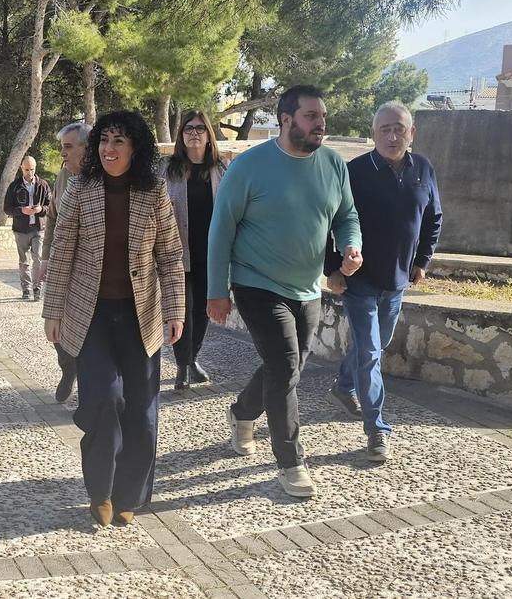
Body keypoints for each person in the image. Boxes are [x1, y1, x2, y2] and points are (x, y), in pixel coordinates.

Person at [207, 85, 362, 499]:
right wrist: (216, 290)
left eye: (322, 117)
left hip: (307, 286)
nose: (321, 124)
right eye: (311, 116)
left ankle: (243, 412)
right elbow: (221, 229)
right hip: (256, 282)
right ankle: (290, 461)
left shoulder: (333, 165)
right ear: (286, 120)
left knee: (286, 369)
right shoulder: (250, 166)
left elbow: (347, 215)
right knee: (286, 362)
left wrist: (350, 246)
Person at [42, 110, 185, 528]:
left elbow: (171, 256)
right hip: (92, 316)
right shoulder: (79, 191)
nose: (109, 148)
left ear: (134, 148)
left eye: (119, 141)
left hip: (141, 316)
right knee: (104, 400)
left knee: (141, 411)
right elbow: (62, 253)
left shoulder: (154, 192)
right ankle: (100, 491)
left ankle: (130, 495)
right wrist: (53, 310)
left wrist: (175, 310)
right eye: (104, 140)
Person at [325, 101, 442, 462]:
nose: (393, 136)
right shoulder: (354, 171)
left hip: (397, 282)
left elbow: (433, 218)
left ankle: (343, 386)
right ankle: (376, 429)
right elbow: (328, 222)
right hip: (359, 282)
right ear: (373, 133)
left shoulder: (423, 168)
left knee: (374, 345)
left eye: (399, 129)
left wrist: (422, 260)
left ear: (412, 132)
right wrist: (333, 268)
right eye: (385, 129)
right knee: (372, 352)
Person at [160, 110, 226, 390]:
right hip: (177, 253)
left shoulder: (221, 169)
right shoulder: (167, 168)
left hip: (211, 254)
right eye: (188, 128)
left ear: (209, 134)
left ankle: (191, 359)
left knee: (203, 310)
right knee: (182, 310)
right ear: (181, 135)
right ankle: (182, 366)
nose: (194, 133)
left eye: (200, 128)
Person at [42, 122, 89, 402]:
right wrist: (45, 258)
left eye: (68, 147)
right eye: (62, 148)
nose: (63, 154)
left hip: (87, 272)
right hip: (62, 267)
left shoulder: (103, 180)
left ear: (87, 149)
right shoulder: (63, 177)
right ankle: (67, 368)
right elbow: (52, 217)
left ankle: (88, 390)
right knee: (55, 329)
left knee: (86, 333)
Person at [3, 155, 51, 300]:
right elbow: (7, 209)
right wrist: (21, 211)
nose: (30, 173)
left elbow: (51, 206)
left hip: (38, 228)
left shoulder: (43, 185)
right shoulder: (14, 186)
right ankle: (26, 289)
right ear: (21, 168)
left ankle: (37, 288)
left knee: (38, 259)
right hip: (21, 229)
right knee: (24, 261)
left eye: (32, 169)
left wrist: (40, 209)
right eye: (27, 169)